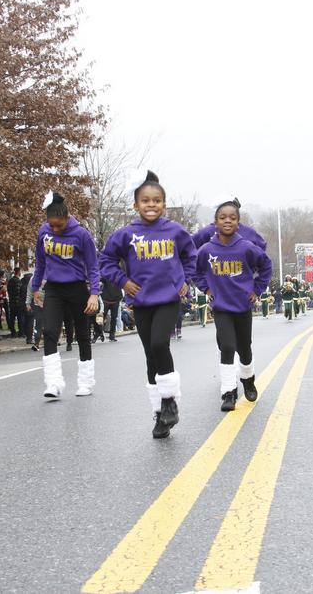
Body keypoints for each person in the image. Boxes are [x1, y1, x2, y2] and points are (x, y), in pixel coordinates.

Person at [100, 171, 197, 438]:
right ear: (135, 205)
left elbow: (191, 256)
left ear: (164, 205)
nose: (151, 205)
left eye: (156, 200)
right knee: (150, 355)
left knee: (159, 344)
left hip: (168, 299)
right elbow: (106, 261)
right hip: (141, 301)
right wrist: (122, 281)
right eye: (145, 200)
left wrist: (186, 279)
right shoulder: (126, 234)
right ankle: (159, 415)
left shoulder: (175, 231)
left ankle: (170, 402)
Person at [195, 199, 272, 411]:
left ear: (238, 223)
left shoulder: (247, 247)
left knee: (244, 347)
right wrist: (206, 289)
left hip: (243, 306)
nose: (227, 221)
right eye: (223, 218)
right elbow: (195, 269)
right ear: (215, 222)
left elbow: (266, 266)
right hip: (221, 307)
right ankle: (228, 392)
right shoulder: (206, 249)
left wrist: (257, 290)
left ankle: (248, 380)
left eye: (232, 218)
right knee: (227, 346)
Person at [33, 192, 101, 400]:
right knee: (49, 330)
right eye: (51, 225)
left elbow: (93, 267)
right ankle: (53, 383)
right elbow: (40, 263)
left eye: (59, 225)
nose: (55, 229)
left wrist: (94, 294)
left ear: (67, 216)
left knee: (82, 334)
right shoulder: (44, 232)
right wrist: (36, 288)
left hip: (77, 288)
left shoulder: (81, 235)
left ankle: (86, 382)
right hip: (54, 289)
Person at [191, 199, 268, 251]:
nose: (228, 220)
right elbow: (189, 250)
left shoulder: (248, 232)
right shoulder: (206, 233)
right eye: (223, 217)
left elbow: (262, 250)